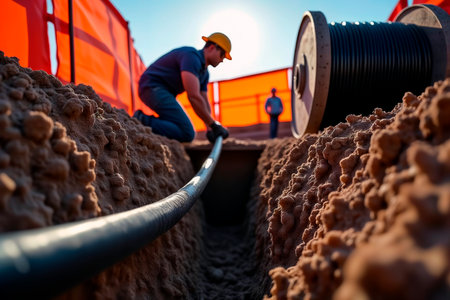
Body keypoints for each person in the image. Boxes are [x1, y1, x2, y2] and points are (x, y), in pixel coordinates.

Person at [134, 32, 231, 143]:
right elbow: (193, 96)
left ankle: (148, 123)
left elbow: (203, 100)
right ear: (212, 47)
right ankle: (142, 119)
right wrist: (214, 125)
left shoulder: (204, 73)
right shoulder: (191, 57)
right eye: (222, 55)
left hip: (164, 92)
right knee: (187, 133)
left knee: (183, 130)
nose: (222, 60)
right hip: (151, 87)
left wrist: (210, 127)